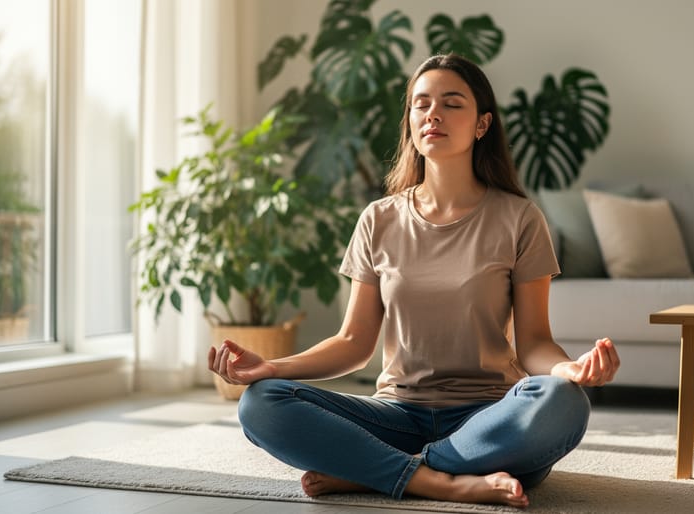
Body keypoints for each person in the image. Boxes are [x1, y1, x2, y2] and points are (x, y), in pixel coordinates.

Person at [208, 53, 620, 509]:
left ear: (482, 125)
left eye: (451, 103)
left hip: (489, 418)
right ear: (410, 121)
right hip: (396, 413)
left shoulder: (519, 219)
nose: (433, 114)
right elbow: (352, 342)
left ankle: (380, 469)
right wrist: (272, 367)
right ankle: (441, 481)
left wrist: (569, 371)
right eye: (421, 104)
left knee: (564, 402)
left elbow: (535, 344)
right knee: (260, 404)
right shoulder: (379, 220)